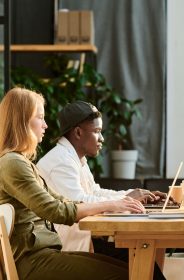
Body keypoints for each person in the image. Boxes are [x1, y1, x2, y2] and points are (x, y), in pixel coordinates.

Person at [0, 87, 146, 280]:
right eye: (40, 118)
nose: (45, 125)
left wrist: (119, 201)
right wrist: (112, 204)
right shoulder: (12, 163)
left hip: (43, 255)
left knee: (135, 270)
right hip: (33, 262)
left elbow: (61, 200)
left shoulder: (20, 162)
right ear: (22, 121)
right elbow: (55, 210)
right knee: (131, 275)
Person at [36, 100, 168, 254]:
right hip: (68, 249)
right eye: (97, 131)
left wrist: (136, 195)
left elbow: (94, 192)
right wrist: (125, 201)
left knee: (143, 257)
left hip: (85, 240)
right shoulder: (61, 162)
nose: (102, 138)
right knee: (138, 259)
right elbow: (80, 203)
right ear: (78, 132)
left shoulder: (73, 157)